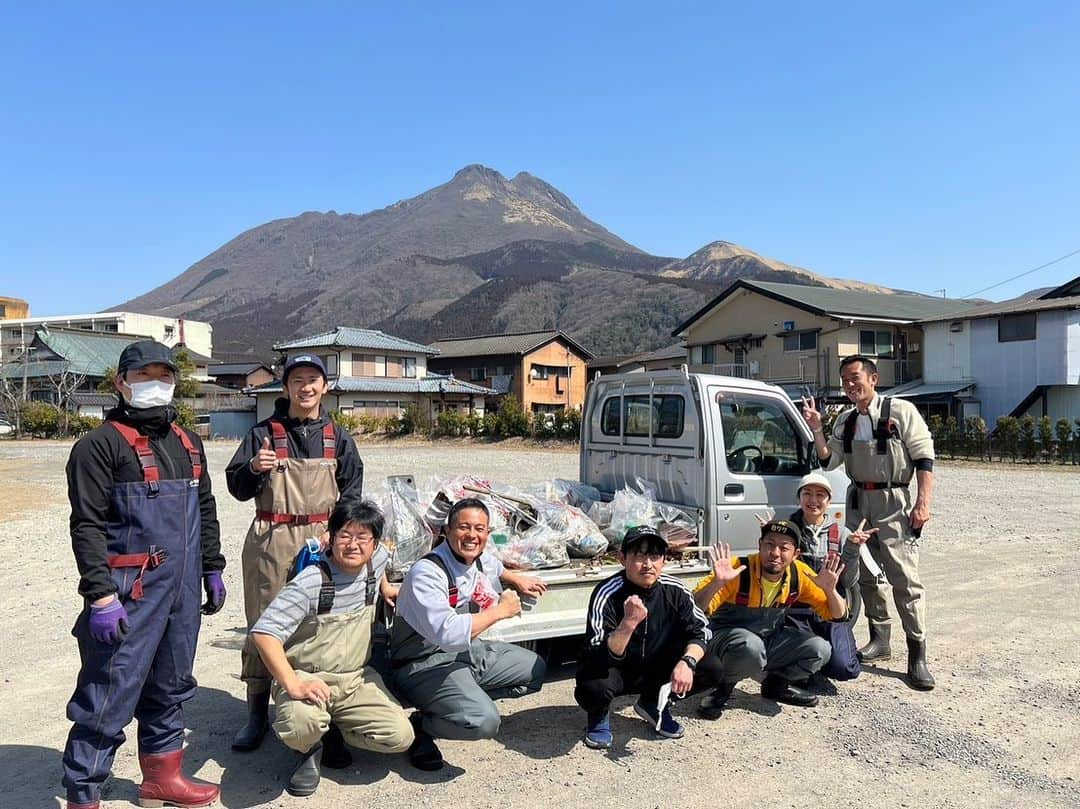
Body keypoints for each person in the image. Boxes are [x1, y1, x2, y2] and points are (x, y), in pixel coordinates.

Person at [62, 340, 226, 809]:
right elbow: (87, 525)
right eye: (143, 376)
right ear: (121, 382)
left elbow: (205, 507)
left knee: (172, 683)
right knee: (108, 693)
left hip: (181, 589)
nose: (155, 384)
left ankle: (161, 776)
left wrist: (211, 567)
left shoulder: (187, 441)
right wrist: (99, 597)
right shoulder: (99, 446)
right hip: (129, 593)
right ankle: (83, 795)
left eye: (164, 375)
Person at [226, 353, 365, 750]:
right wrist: (253, 468)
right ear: (285, 388)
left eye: (313, 379)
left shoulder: (338, 437)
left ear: (325, 387)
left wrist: (337, 533)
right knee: (264, 624)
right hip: (272, 538)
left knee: (322, 624)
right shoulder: (262, 433)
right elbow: (236, 488)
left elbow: (353, 493)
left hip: (324, 540)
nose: (306, 387)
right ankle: (256, 714)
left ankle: (323, 710)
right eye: (297, 379)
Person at [250, 498, 413, 797]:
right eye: (345, 536)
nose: (353, 545)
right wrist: (293, 684)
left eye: (363, 537)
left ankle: (333, 729)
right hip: (309, 677)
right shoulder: (312, 581)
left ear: (375, 543)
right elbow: (264, 633)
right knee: (300, 726)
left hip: (355, 679)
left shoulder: (376, 562)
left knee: (400, 736)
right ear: (332, 537)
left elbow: (384, 563)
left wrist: (386, 587)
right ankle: (311, 747)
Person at [801, 354, 937, 690]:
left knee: (904, 578)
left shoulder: (901, 412)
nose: (849, 385)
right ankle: (880, 639)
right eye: (845, 379)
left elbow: (924, 459)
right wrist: (817, 428)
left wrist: (922, 504)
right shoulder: (845, 420)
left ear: (873, 379)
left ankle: (917, 653)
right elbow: (830, 460)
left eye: (855, 377)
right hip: (859, 502)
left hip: (894, 502)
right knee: (862, 575)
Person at [389, 497, 548, 772]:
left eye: (480, 529)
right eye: (464, 527)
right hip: (423, 663)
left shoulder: (479, 558)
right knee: (484, 722)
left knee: (534, 670)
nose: (472, 535)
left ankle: (459, 699)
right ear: (447, 531)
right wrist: (500, 611)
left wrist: (516, 578)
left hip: (465, 654)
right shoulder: (427, 573)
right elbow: (448, 635)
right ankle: (423, 724)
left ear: (487, 533)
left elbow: (495, 567)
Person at [693, 520, 847, 719]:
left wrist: (830, 590)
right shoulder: (737, 569)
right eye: (769, 544)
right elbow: (694, 609)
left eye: (784, 548)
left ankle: (776, 686)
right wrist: (717, 582)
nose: (775, 553)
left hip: (766, 639)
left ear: (795, 554)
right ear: (759, 545)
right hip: (722, 643)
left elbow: (838, 615)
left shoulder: (798, 574)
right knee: (750, 646)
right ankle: (722, 689)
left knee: (819, 649)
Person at [575, 526, 710, 749]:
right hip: (616, 670)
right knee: (592, 684)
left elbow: (701, 631)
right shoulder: (607, 592)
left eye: (655, 556)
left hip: (654, 669)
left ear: (664, 560)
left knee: (710, 665)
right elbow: (596, 651)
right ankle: (598, 714)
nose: (648, 564)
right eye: (639, 555)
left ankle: (653, 702)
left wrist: (687, 662)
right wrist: (628, 624)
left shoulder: (675, 590)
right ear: (622, 558)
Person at [787, 471, 876, 680]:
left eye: (820, 495)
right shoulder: (788, 531)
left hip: (830, 611)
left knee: (845, 668)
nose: (813, 500)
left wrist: (853, 550)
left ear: (829, 501)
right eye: (807, 493)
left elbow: (849, 582)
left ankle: (821, 661)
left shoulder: (842, 534)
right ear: (799, 498)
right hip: (796, 613)